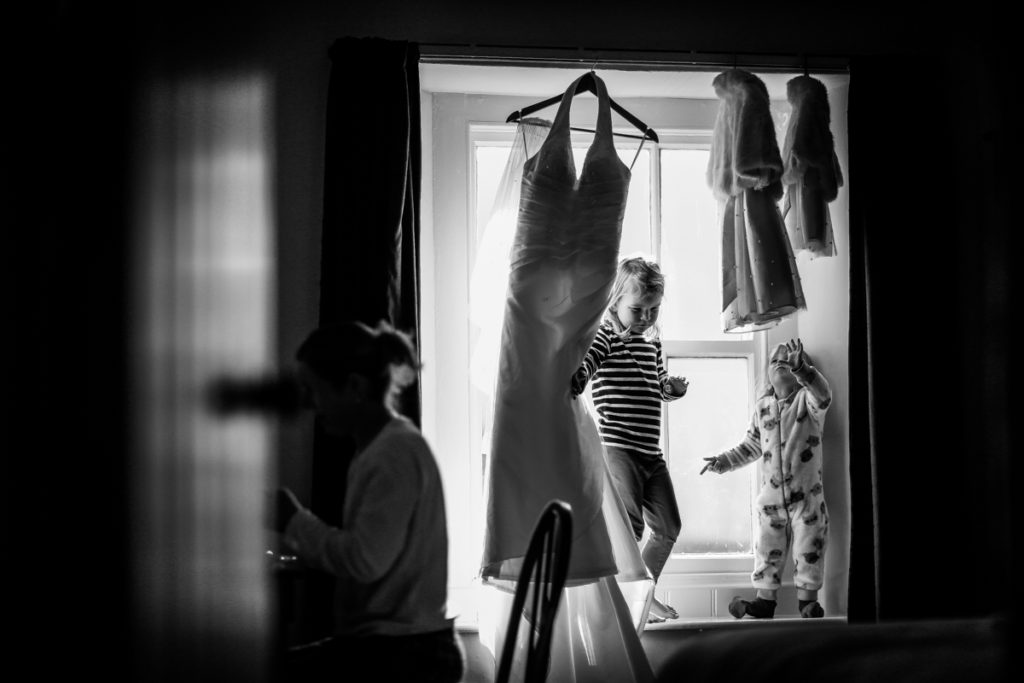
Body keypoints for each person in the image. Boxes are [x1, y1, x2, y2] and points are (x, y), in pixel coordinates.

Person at [270, 320, 464, 682]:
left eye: (316, 390)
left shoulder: (392, 455)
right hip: (400, 647)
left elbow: (364, 560)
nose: (312, 405)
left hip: (408, 656)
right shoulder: (383, 446)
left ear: (355, 387)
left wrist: (294, 520)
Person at [570, 256, 689, 623]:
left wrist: (671, 389)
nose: (646, 318)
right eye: (637, 309)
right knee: (629, 527)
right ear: (616, 302)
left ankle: (644, 592)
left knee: (668, 527)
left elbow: (657, 382)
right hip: (619, 448)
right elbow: (587, 363)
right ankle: (623, 600)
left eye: (653, 310)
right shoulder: (606, 335)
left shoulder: (651, 344)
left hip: (651, 453)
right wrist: (575, 379)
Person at [700, 338, 831, 619]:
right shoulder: (763, 408)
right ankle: (764, 602)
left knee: (810, 547)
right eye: (776, 360)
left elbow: (823, 396)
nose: (782, 362)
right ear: (768, 375)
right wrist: (724, 461)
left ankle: (807, 603)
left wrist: (804, 371)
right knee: (766, 550)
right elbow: (751, 446)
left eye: (790, 359)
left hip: (807, 499)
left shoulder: (807, 404)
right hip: (770, 502)